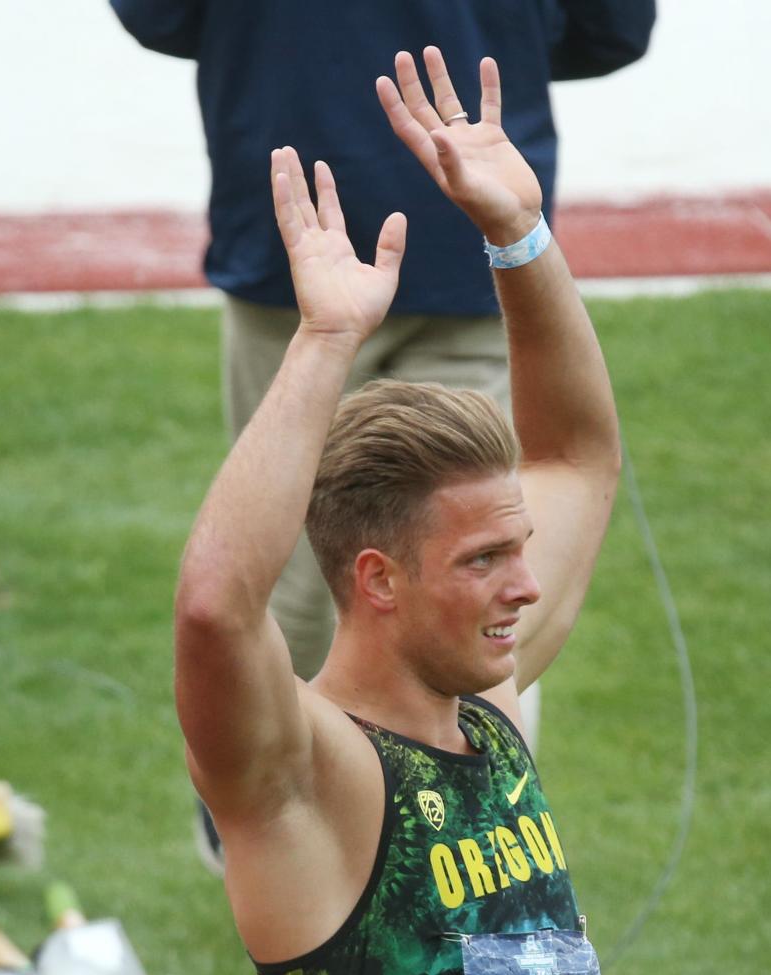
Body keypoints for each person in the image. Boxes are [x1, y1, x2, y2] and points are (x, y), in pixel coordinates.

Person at [174, 47, 633, 975]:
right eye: (484, 562)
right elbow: (218, 607)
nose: (525, 588)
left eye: (518, 554)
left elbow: (578, 453)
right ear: (376, 580)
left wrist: (521, 234)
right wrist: (324, 341)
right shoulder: (311, 779)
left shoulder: (488, 707)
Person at [112, 0, 654, 687]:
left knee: (297, 588)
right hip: (465, 230)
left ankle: (268, 777)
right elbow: (611, 29)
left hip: (296, 239)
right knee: (482, 590)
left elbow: (158, 16)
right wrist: (515, 229)